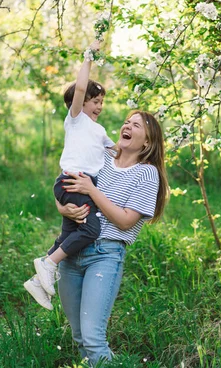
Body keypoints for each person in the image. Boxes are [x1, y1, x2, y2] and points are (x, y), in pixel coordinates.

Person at [56, 110, 169, 366]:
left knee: (93, 339)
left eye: (136, 125)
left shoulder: (147, 174)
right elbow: (66, 179)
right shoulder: (102, 156)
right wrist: (63, 208)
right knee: (79, 337)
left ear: (148, 141)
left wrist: (92, 191)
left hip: (104, 256)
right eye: (127, 122)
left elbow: (126, 220)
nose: (127, 126)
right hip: (72, 249)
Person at [23, 40, 115, 310]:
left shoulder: (99, 131)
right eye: (95, 101)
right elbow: (82, 88)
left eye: (101, 102)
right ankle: (48, 263)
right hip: (73, 180)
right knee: (90, 229)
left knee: (69, 234)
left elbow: (117, 152)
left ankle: (38, 282)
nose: (99, 106)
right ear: (80, 102)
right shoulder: (76, 119)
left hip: (84, 184)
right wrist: (89, 57)